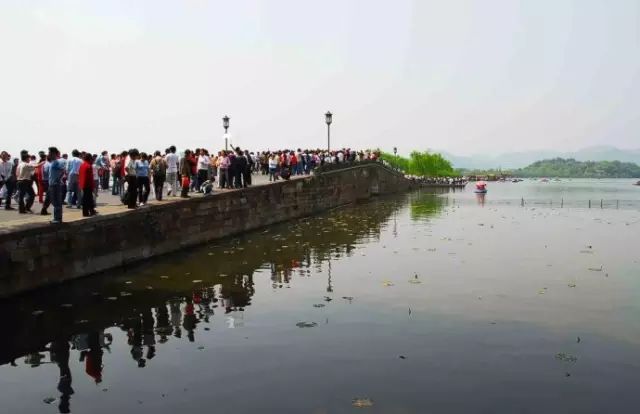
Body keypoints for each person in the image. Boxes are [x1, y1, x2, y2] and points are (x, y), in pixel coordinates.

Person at [47, 147, 65, 224]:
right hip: (53, 184)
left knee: (56, 202)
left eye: (50, 153)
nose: (48, 154)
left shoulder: (56, 162)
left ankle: (58, 219)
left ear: (53, 153)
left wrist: (58, 179)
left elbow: (63, 170)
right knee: (54, 201)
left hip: (55, 184)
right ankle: (56, 218)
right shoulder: (53, 162)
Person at [78, 153, 96, 217]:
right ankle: (86, 212)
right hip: (88, 184)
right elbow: (90, 177)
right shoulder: (88, 166)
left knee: (88, 198)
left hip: (83, 184)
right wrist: (93, 186)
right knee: (87, 199)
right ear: (89, 159)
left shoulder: (82, 165)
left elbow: (79, 175)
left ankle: (91, 210)